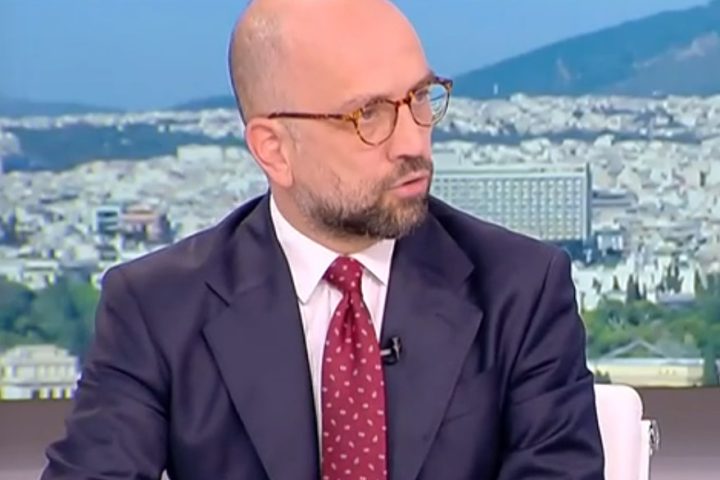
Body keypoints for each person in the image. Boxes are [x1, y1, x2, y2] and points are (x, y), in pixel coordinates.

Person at [41, 0, 604, 478]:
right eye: (369, 115)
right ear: (274, 150)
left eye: (421, 97)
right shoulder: (157, 308)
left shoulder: (520, 290)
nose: (413, 142)